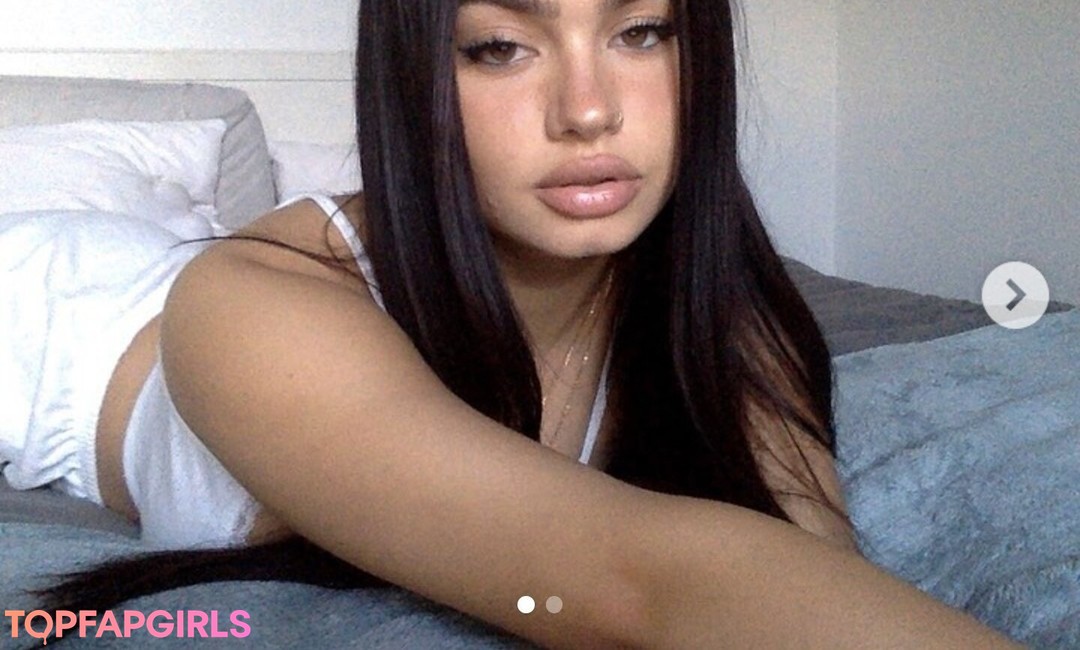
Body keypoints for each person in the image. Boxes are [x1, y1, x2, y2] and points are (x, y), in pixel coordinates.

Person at [0, 0, 1022, 647]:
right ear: (415, 79)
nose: (589, 109)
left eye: (640, 31)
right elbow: (630, 580)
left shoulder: (728, 314)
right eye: (500, 47)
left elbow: (806, 566)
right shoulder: (251, 306)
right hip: (45, 303)